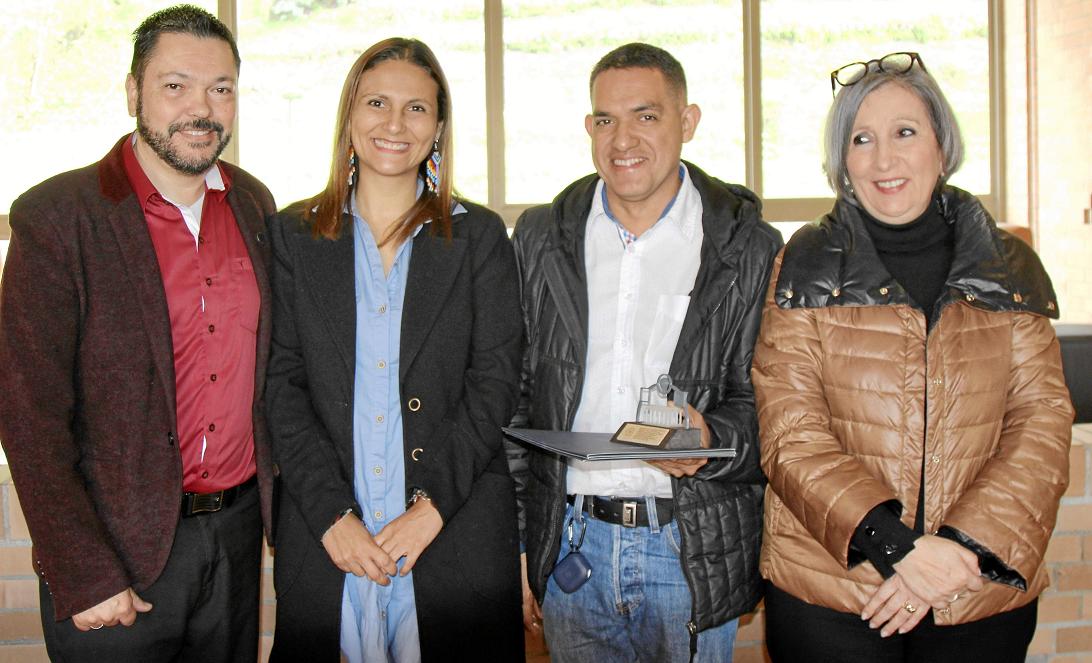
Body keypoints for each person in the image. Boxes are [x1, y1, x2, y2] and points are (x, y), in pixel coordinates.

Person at [753, 52, 1074, 662]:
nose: (884, 159)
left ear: (941, 145)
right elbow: (790, 433)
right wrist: (897, 547)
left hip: (976, 585)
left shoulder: (1010, 267)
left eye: (905, 132)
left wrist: (960, 549)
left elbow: (1042, 423)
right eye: (861, 139)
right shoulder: (803, 263)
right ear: (842, 162)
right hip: (835, 594)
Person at [0, 5, 277, 662]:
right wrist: (83, 569)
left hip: (236, 540)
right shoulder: (58, 217)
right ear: (133, 92)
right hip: (115, 553)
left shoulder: (254, 204)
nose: (200, 108)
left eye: (221, 88)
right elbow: (27, 411)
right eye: (175, 85)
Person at [507, 42, 783, 662]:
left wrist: (710, 439)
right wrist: (524, 542)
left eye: (646, 116)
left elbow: (777, 408)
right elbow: (518, 400)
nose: (622, 138)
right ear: (588, 128)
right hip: (572, 545)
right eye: (605, 120)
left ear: (688, 122)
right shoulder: (542, 239)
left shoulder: (749, 248)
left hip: (688, 547)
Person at [264, 38, 524, 662]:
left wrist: (429, 510)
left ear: (437, 128)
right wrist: (332, 515)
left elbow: (496, 382)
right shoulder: (293, 236)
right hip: (329, 541)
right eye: (377, 102)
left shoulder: (479, 236)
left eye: (416, 108)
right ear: (349, 117)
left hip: (453, 533)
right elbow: (280, 383)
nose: (394, 123)